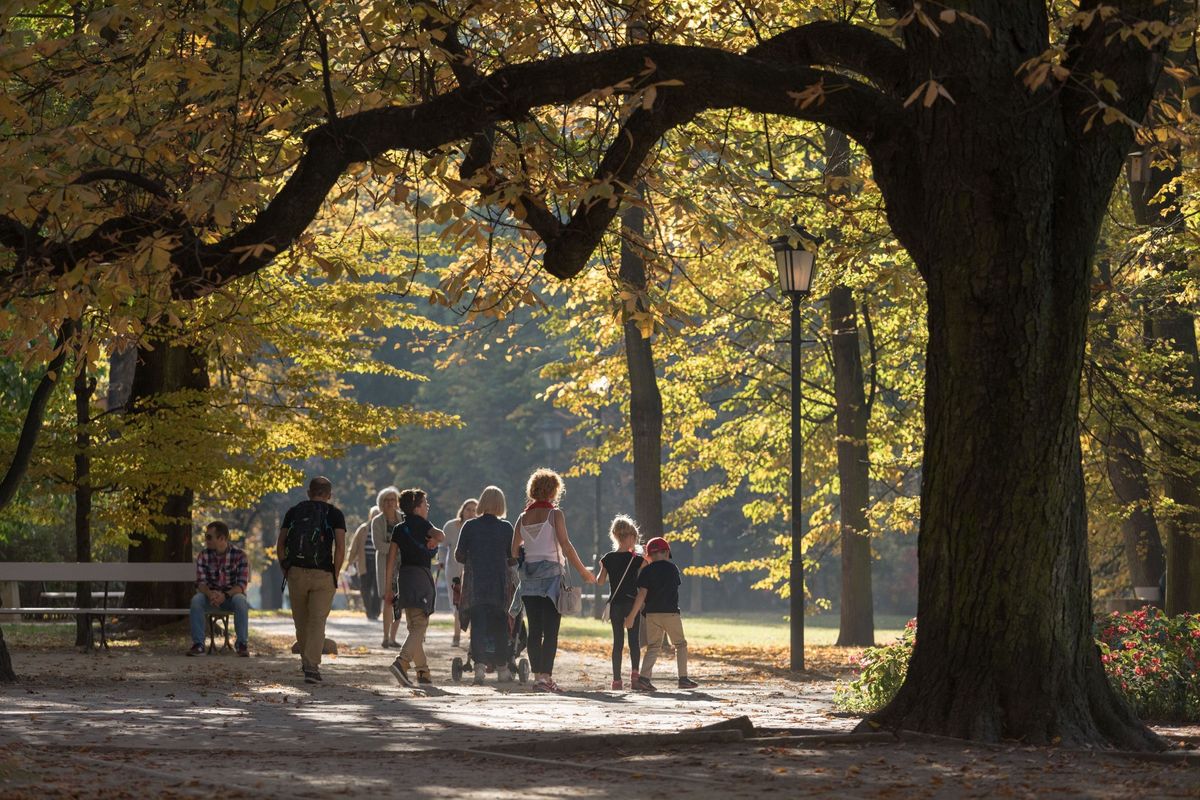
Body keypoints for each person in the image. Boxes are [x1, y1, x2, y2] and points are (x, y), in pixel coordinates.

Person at [511, 468, 596, 693]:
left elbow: (513, 551)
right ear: (552, 491)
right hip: (551, 579)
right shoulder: (554, 514)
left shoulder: (522, 517)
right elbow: (566, 546)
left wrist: (529, 549)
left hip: (529, 580)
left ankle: (538, 678)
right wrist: (584, 572)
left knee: (535, 630)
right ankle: (546, 677)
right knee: (550, 631)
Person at [278, 476, 347, 684]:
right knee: (317, 621)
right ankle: (311, 667)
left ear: (309, 492)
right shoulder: (335, 514)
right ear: (329, 494)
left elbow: (280, 544)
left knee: (301, 621)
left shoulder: (293, 512)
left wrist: (286, 568)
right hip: (323, 573)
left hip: (296, 572)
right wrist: (335, 573)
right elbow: (341, 547)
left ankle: (306, 662)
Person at [385, 488, 444, 686]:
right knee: (420, 626)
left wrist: (388, 588)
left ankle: (423, 672)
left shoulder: (399, 528)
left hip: (405, 577)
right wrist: (435, 539)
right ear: (417, 508)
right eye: (425, 503)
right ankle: (402, 662)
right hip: (421, 577)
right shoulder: (423, 524)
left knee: (413, 626)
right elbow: (441, 535)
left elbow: (391, 559)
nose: (427, 506)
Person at [455, 486, 514, 684]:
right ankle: (502, 669)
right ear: (500, 504)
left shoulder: (469, 526)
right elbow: (513, 558)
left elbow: (459, 555)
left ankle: (479, 668)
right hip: (498, 584)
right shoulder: (506, 528)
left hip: (475, 584)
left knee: (478, 625)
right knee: (500, 626)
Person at [624, 536, 697, 690]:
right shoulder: (672, 568)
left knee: (653, 646)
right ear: (666, 552)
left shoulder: (646, 571)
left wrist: (631, 616)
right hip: (670, 614)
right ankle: (683, 679)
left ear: (649, 555)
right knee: (680, 644)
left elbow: (642, 595)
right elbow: (675, 587)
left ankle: (644, 679)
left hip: (651, 615)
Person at [187, 521, 251, 657]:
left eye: (209, 537)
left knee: (240, 600)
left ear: (222, 538)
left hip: (230, 597)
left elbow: (241, 586)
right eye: (206, 536)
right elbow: (200, 583)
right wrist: (210, 594)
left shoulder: (240, 556)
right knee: (196, 600)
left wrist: (225, 595)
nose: (206, 540)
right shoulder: (203, 556)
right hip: (210, 597)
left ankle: (242, 644)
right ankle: (198, 645)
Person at [595, 515, 644, 689]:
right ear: (630, 537)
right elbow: (645, 578)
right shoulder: (637, 560)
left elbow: (600, 582)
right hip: (631, 604)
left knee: (618, 643)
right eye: (635, 538)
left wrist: (602, 569)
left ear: (614, 535)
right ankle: (635, 676)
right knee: (633, 642)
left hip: (615, 605)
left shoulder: (607, 558)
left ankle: (616, 680)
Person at [440, 498, 478, 647]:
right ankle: (456, 635)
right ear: (462, 510)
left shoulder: (478, 527)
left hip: (473, 571)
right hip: (454, 570)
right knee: (456, 603)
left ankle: (473, 637)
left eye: (474, 510)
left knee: (473, 603)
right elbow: (442, 546)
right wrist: (441, 561)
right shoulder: (450, 526)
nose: (471, 513)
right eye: (468, 509)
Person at [372, 486, 403, 648]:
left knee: (399, 601)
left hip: (402, 565)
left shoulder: (403, 519)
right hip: (385, 565)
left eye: (393, 499)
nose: (390, 503)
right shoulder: (377, 521)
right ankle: (385, 637)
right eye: (387, 500)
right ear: (381, 503)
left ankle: (393, 637)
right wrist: (395, 548)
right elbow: (378, 545)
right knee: (388, 600)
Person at [347, 506, 382, 621]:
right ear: (370, 516)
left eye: (378, 514)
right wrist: (349, 561)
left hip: (378, 562)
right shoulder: (363, 529)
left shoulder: (383, 528)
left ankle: (376, 611)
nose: (375, 516)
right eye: (374, 514)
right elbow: (354, 546)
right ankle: (369, 611)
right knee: (365, 588)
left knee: (378, 589)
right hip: (364, 562)